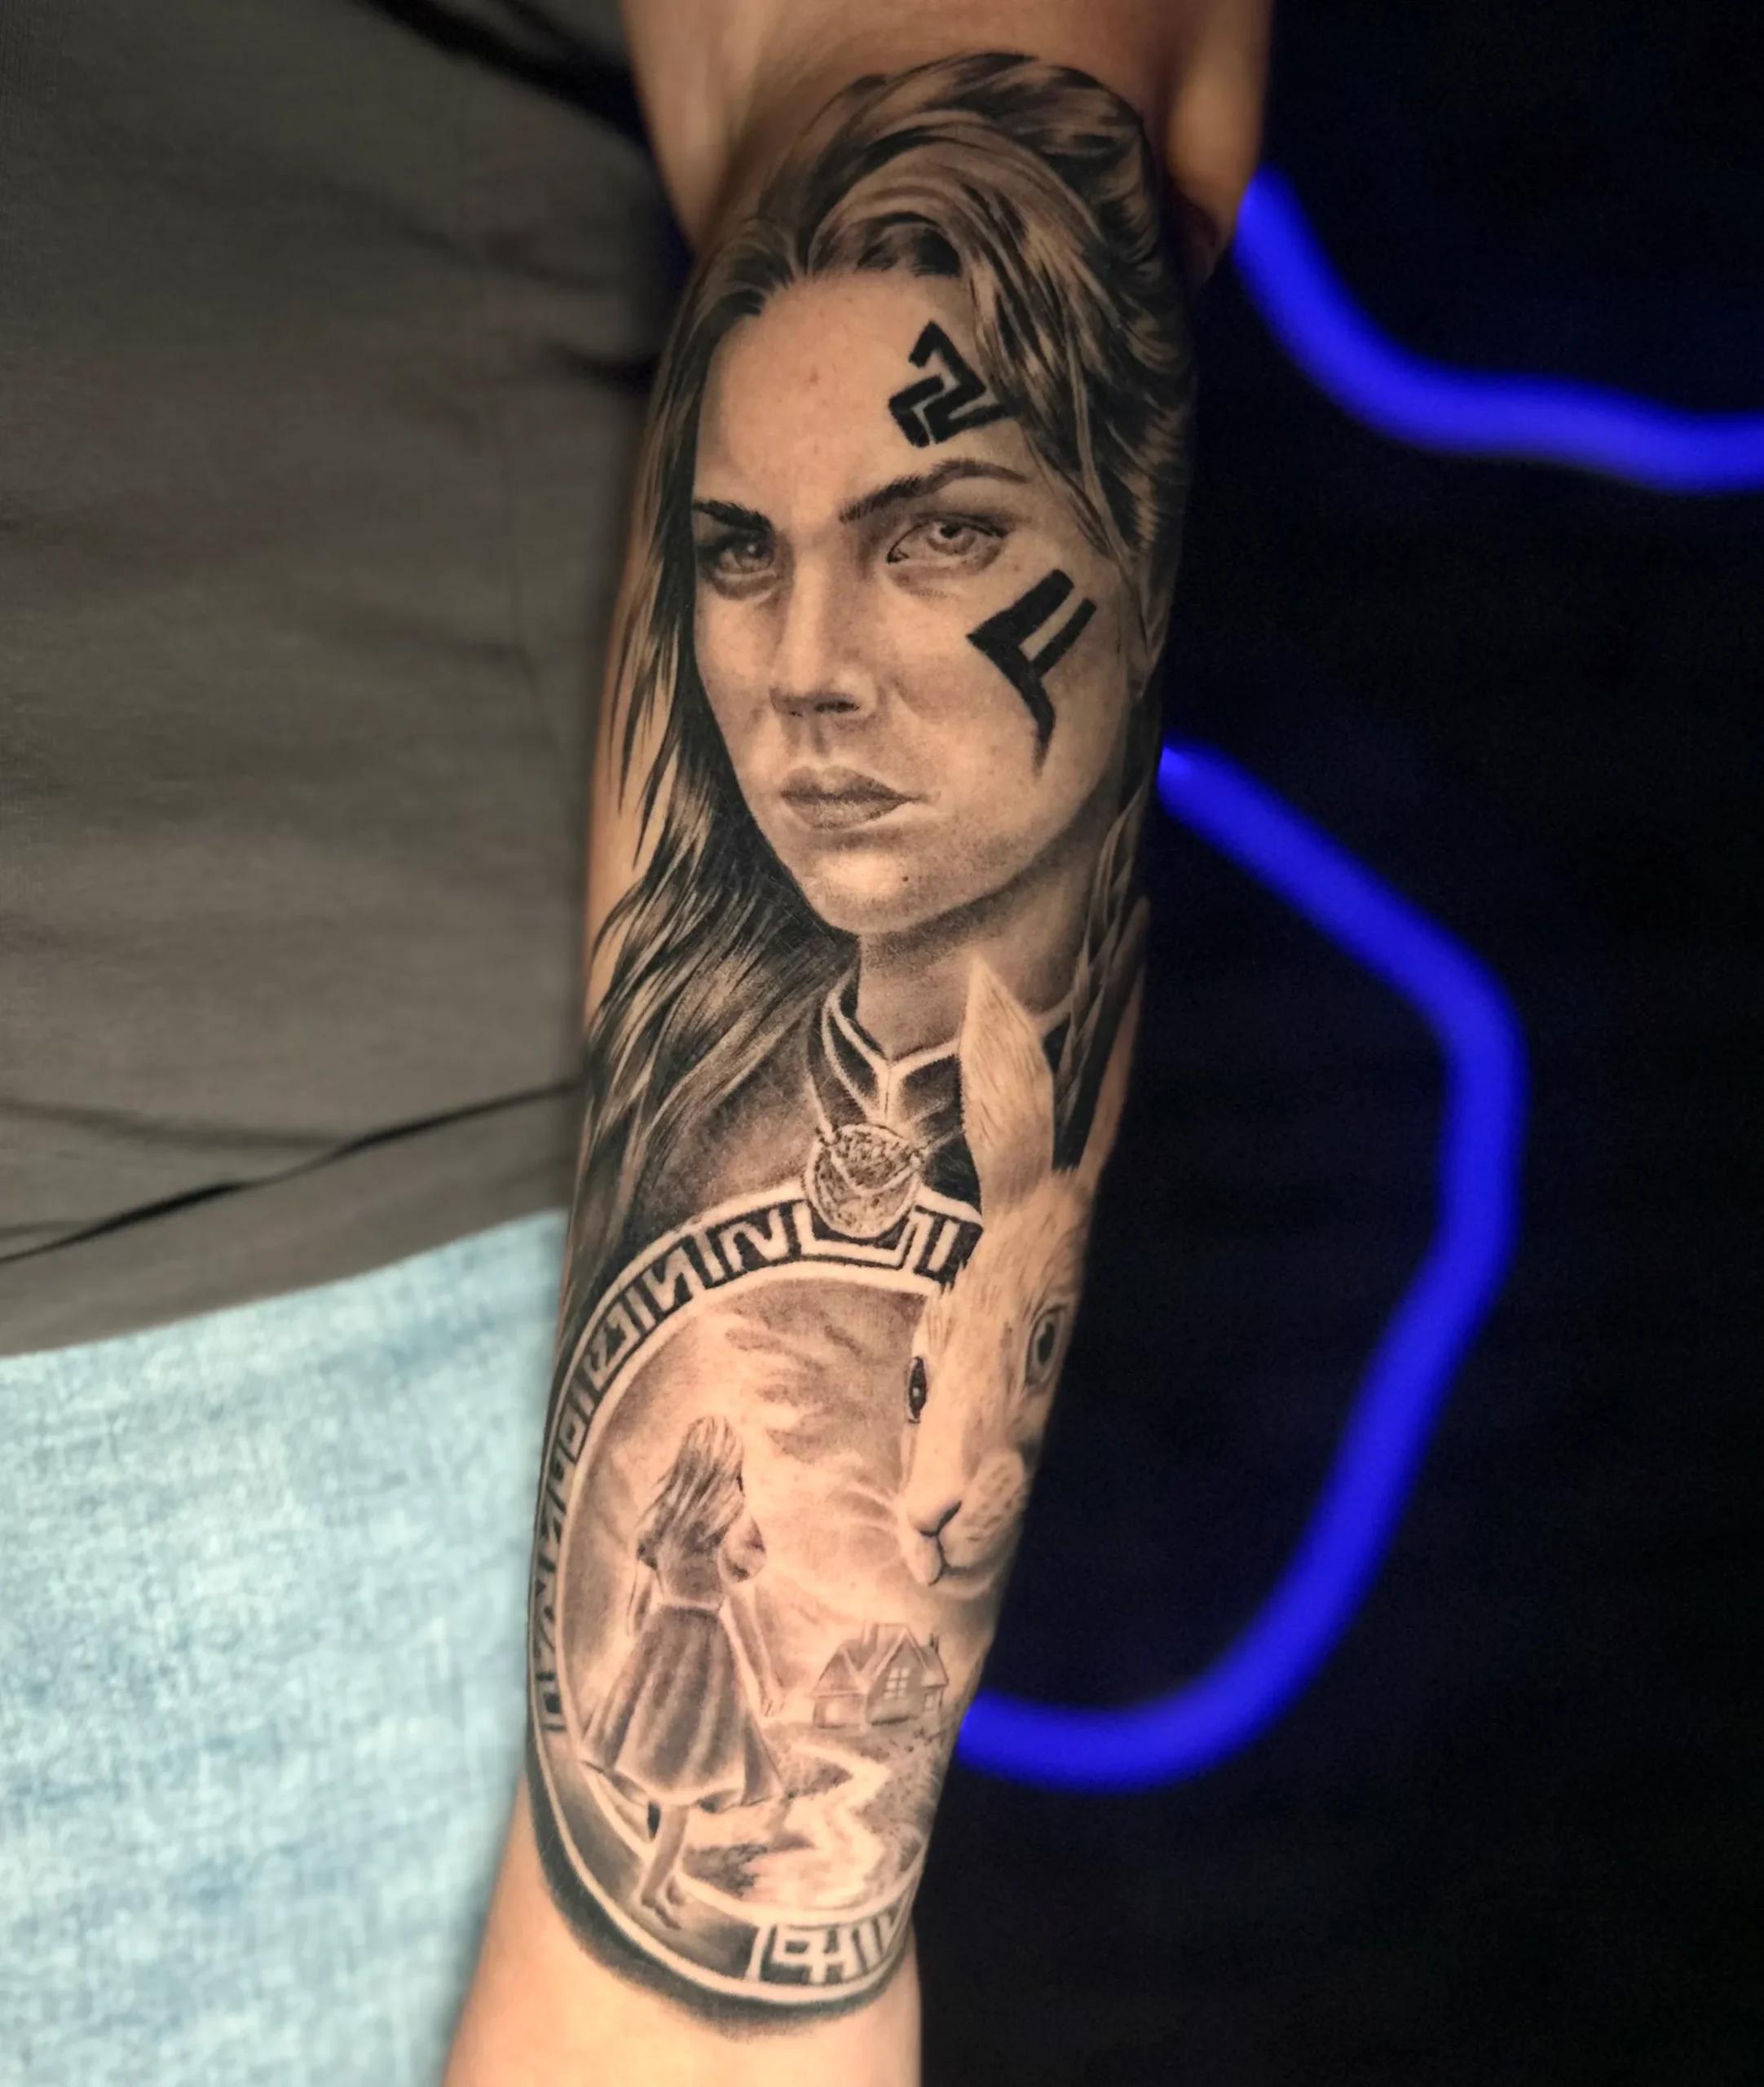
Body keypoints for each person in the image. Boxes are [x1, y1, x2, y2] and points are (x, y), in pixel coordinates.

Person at [1, 2, 1268, 2084]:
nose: (806, 674)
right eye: (743, 556)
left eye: (932, 530)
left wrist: (703, 1999)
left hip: (226, 1373)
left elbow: (948, 63)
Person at [583, 1415, 780, 1926]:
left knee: (670, 1783)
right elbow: (742, 1611)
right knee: (681, 1791)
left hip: (660, 1645)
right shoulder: (731, 1523)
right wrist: (765, 1676)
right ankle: (651, 1890)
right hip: (704, 1655)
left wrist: (648, 1645)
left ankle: (665, 1883)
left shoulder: (663, 1519)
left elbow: (635, 1611)